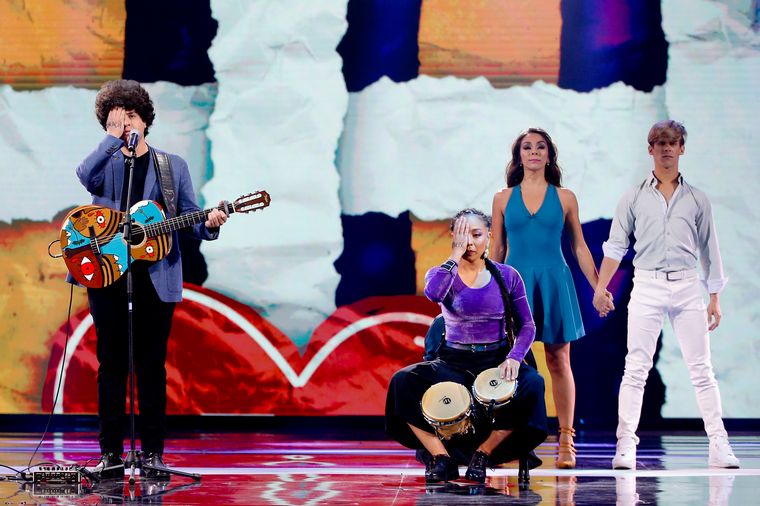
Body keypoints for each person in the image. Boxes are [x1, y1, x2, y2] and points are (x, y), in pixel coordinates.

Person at [72, 80, 228, 478]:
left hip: (156, 277)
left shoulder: (171, 166)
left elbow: (189, 216)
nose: (126, 125)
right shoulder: (104, 163)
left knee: (151, 366)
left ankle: (153, 453)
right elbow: (85, 176)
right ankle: (110, 454)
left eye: (132, 117)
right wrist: (111, 140)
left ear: (145, 120)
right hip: (108, 273)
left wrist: (210, 223)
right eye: (117, 119)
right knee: (111, 364)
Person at [593, 120, 740, 470]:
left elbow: (710, 248)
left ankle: (719, 442)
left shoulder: (697, 199)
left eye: (673, 142)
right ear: (651, 149)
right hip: (647, 284)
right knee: (635, 368)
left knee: (701, 369)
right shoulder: (633, 196)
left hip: (687, 286)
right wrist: (601, 287)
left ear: (682, 148)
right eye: (660, 143)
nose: (667, 148)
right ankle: (625, 444)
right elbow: (616, 246)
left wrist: (714, 296)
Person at [385, 208, 547, 483]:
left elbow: (527, 326)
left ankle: (483, 454)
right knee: (402, 382)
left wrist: (514, 357)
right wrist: (454, 256)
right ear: (453, 236)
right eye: (463, 235)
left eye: (476, 235)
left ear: (489, 236)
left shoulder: (507, 276)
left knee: (533, 383)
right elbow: (433, 293)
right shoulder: (441, 273)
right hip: (453, 361)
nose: (470, 242)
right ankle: (441, 457)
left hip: (495, 359)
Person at [489, 127, 612, 468]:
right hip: (515, 284)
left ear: (548, 155)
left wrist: (599, 287)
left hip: (555, 282)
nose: (534, 152)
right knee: (515, 363)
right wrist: (489, 291)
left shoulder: (565, 197)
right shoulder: (502, 198)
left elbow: (579, 247)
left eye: (540, 146)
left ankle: (566, 440)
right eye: (527, 147)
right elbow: (496, 249)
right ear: (519, 156)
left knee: (559, 361)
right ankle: (512, 440)